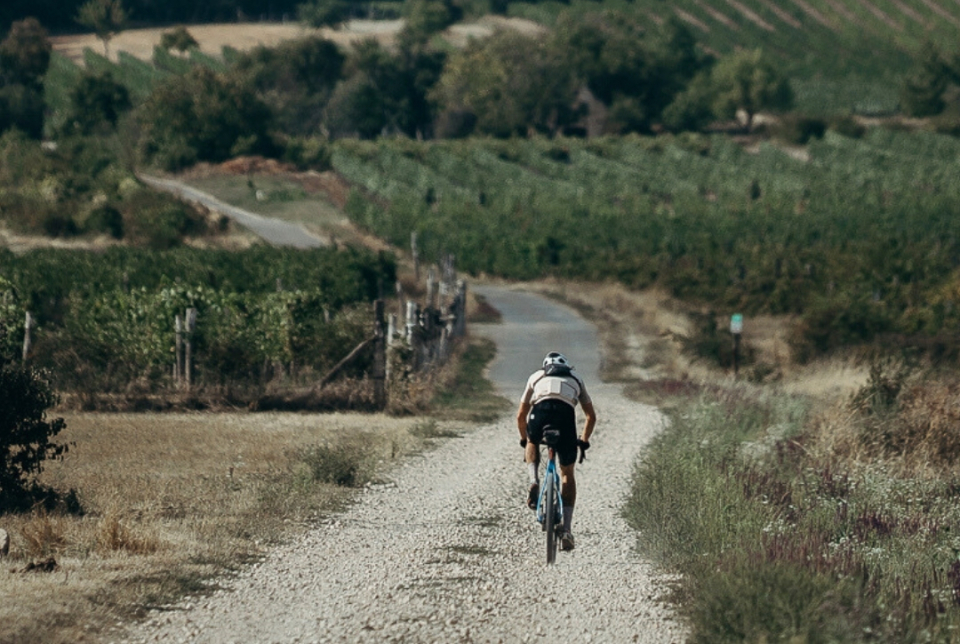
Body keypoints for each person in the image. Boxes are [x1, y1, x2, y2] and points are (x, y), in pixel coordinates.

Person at [516, 351, 596, 551]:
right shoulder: (576, 378)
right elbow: (590, 416)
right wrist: (584, 441)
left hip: (539, 413)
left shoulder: (536, 377)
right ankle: (567, 529)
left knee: (533, 443)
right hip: (565, 417)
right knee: (567, 473)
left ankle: (534, 480)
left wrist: (525, 439)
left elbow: (520, 416)